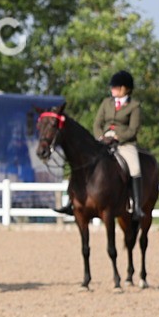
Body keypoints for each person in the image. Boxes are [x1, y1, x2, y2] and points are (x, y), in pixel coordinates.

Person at [54, 70, 143, 219]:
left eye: (116, 87)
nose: (112, 89)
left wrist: (118, 136)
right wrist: (100, 136)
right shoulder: (106, 103)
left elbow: (133, 129)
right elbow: (97, 123)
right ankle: (71, 202)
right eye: (112, 87)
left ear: (125, 88)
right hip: (104, 140)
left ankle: (137, 206)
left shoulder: (134, 106)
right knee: (81, 163)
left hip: (124, 143)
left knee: (135, 169)